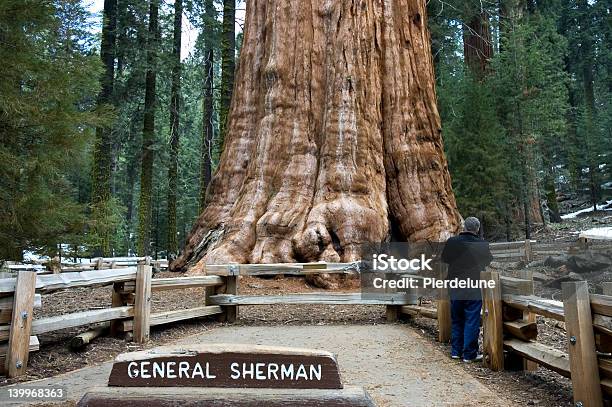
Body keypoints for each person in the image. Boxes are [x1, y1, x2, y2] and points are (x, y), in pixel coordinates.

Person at [441, 217, 492, 363]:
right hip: (472, 284)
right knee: (472, 318)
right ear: (477, 228)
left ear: (464, 227)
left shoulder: (452, 242)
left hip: (455, 284)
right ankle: (469, 354)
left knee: (457, 317)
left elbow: (445, 259)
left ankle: (456, 351)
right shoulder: (482, 244)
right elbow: (488, 260)